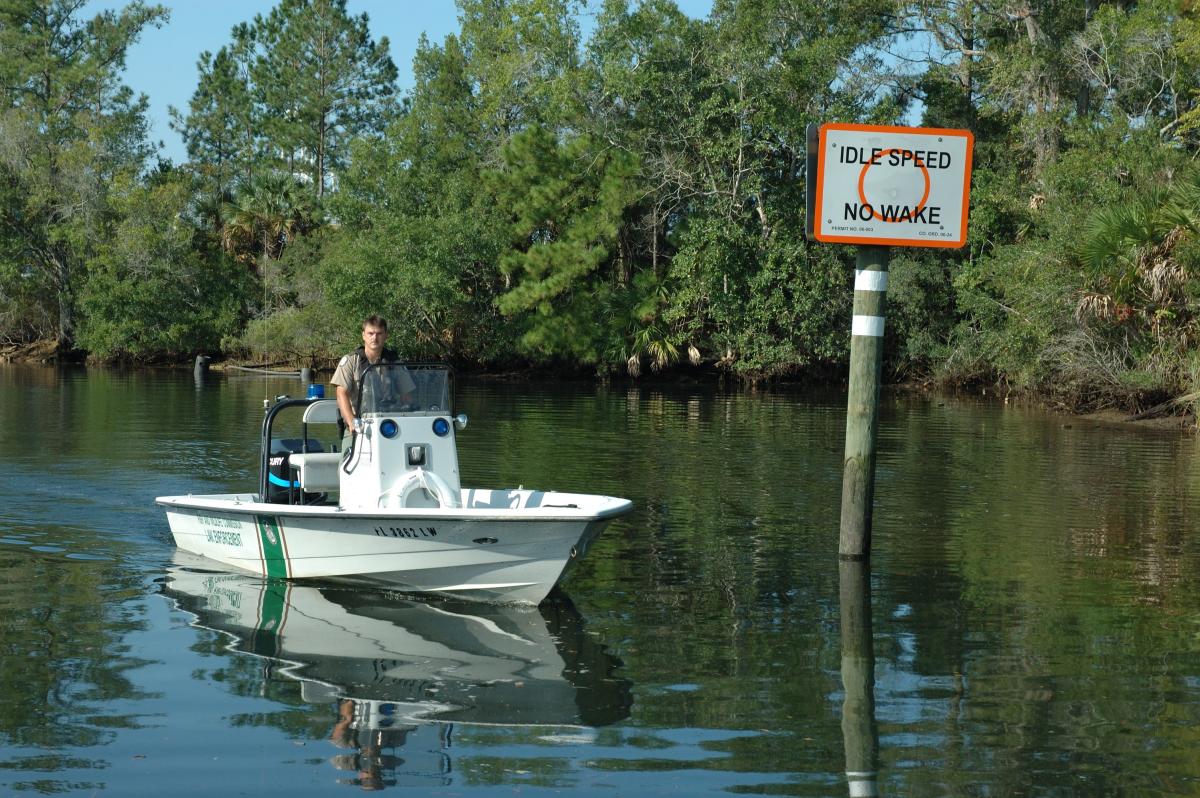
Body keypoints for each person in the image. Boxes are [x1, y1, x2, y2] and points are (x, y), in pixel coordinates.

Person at [331, 315, 416, 435]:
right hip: (360, 426)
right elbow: (341, 394)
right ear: (363, 335)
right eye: (370, 333)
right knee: (349, 452)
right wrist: (352, 422)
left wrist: (409, 418)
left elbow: (407, 396)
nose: (374, 338)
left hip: (390, 426)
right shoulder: (351, 360)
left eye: (379, 333)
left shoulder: (395, 362)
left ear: (386, 335)